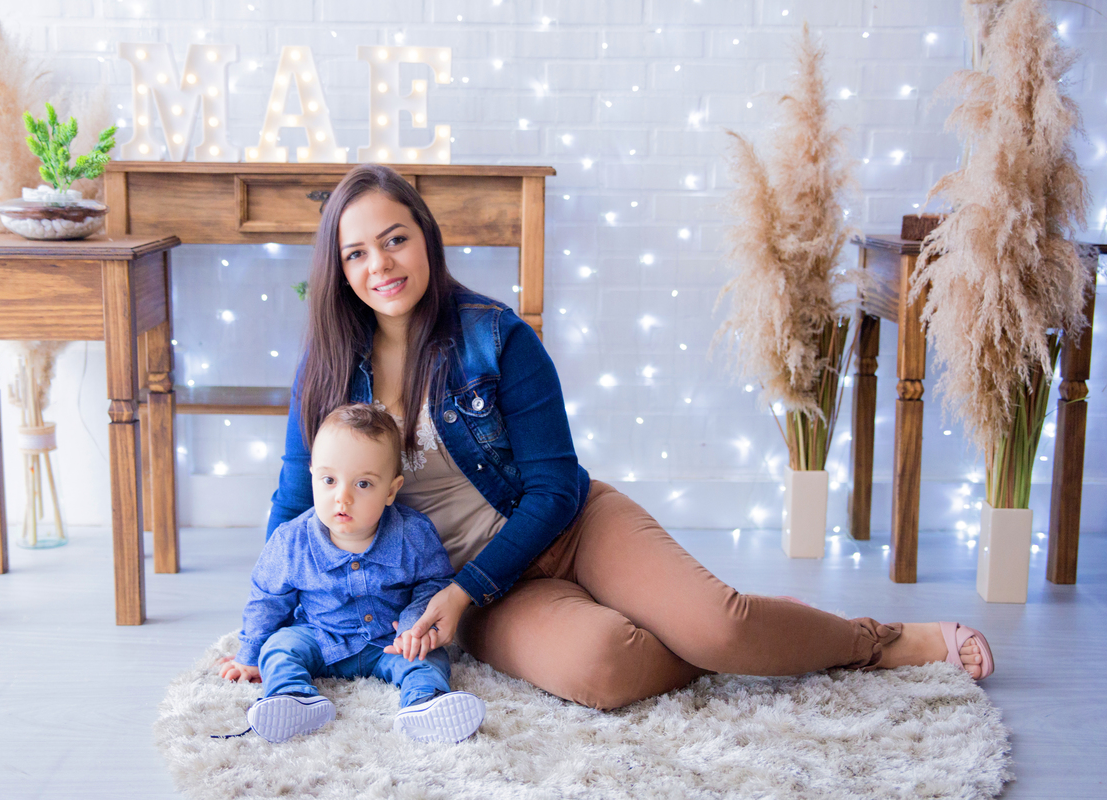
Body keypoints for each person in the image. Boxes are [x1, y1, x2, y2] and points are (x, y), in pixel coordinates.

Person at [261, 164, 993, 713]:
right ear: (338, 268)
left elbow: (554, 486)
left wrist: (464, 588)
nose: (380, 265)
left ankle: (878, 641)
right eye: (356, 253)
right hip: (477, 591)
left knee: (722, 625)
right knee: (604, 669)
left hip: (571, 528)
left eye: (395, 240)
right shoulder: (325, 371)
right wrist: (263, 633)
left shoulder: (496, 336)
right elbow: (297, 503)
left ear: (427, 238)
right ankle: (738, 642)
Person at [217, 403, 486, 743]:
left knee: (427, 656)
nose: (342, 497)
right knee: (279, 648)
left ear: (391, 490)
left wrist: (412, 627)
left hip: (389, 641)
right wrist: (250, 655)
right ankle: (292, 698)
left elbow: (433, 583)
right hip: (319, 636)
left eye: (363, 484)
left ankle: (425, 704)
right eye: (329, 480)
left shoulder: (413, 533)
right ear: (312, 476)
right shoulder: (291, 541)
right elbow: (267, 599)